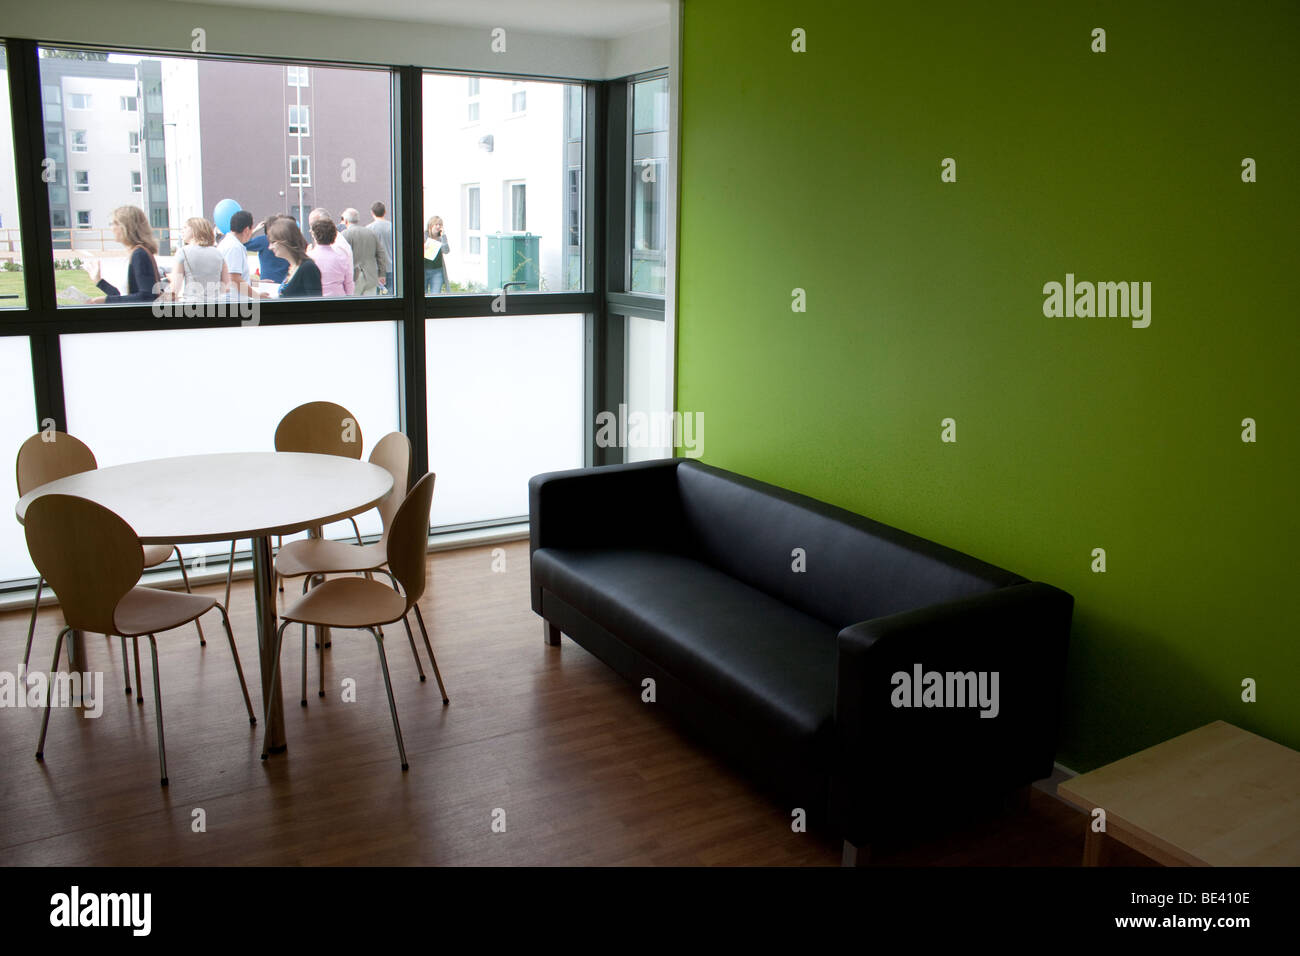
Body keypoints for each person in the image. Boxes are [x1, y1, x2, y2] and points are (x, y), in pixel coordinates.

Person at [78, 206, 163, 303]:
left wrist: (103, 300)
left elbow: (147, 297)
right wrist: (99, 281)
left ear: (126, 226)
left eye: (114, 223)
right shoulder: (136, 254)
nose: (111, 228)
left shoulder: (139, 254)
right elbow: (124, 297)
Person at [166, 217, 229, 302]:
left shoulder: (183, 252)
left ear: (195, 230)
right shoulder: (219, 254)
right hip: (215, 306)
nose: (182, 231)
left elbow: (175, 288)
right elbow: (226, 286)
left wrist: (171, 279)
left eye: (185, 227)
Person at [216, 209, 267, 299]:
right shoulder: (234, 247)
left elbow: (238, 276)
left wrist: (259, 283)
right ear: (247, 230)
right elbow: (234, 279)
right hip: (232, 302)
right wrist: (257, 296)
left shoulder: (229, 243)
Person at [268, 217, 321, 297]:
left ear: (285, 240)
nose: (270, 247)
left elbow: (316, 304)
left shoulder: (308, 268)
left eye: (273, 242)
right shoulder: (293, 267)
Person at [340, 208, 388, 296]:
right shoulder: (371, 233)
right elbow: (381, 254)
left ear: (346, 221)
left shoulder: (344, 235)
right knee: (370, 305)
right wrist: (382, 274)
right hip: (371, 275)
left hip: (353, 278)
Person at [307, 217, 354, 296]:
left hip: (315, 300)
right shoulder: (342, 257)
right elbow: (349, 284)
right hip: (338, 299)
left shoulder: (308, 258)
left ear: (314, 235)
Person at [243, 214, 290, 286]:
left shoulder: (263, 240)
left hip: (267, 282)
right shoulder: (288, 240)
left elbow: (243, 244)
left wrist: (255, 230)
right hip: (285, 282)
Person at [368, 201, 395, 293]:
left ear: (372, 213)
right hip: (391, 267)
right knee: (391, 296)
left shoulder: (369, 229)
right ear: (385, 212)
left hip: (375, 269)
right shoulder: (393, 227)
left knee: (374, 297)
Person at [423, 215, 450, 294]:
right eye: (436, 224)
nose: (438, 227)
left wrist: (443, 237)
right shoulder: (424, 236)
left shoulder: (441, 237)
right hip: (424, 270)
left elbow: (446, 251)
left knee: (435, 294)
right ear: (431, 225)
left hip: (437, 271)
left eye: (440, 225)